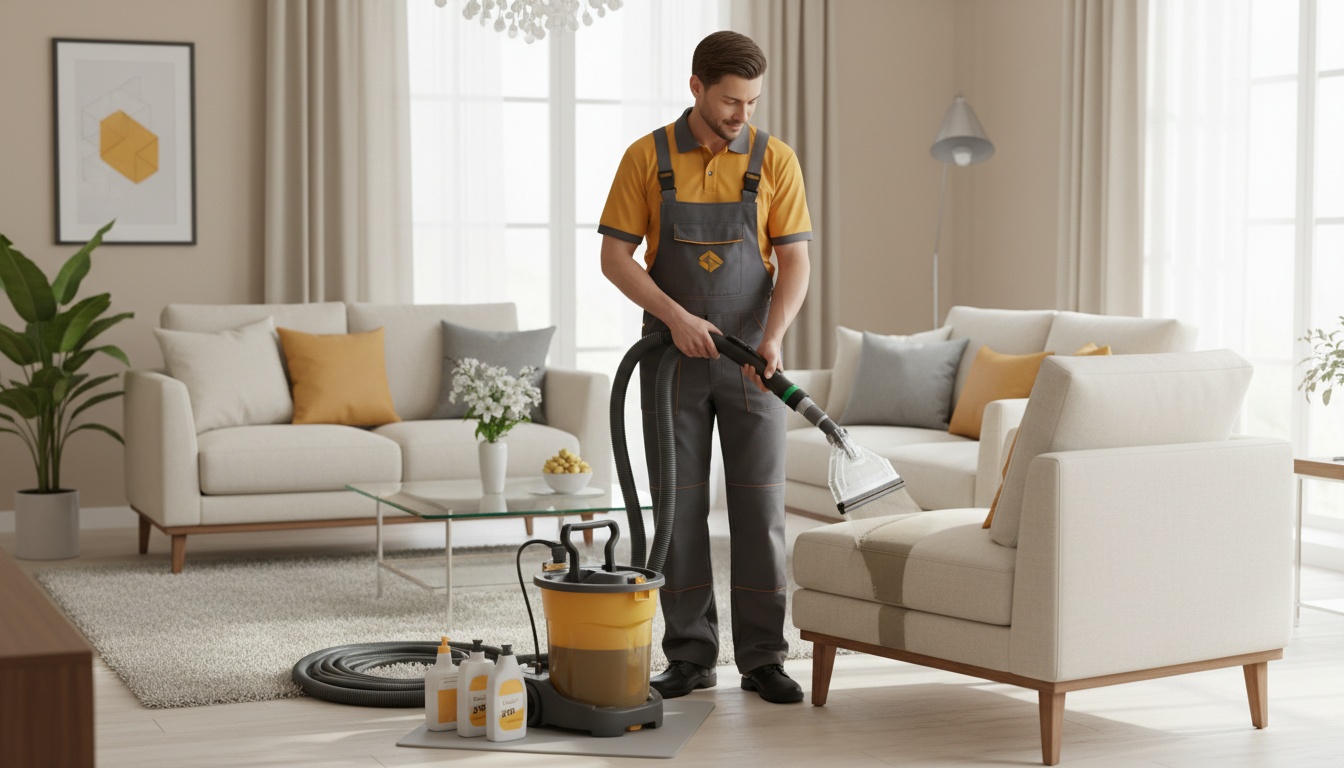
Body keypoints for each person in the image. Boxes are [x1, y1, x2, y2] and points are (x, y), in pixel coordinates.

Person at [598, 30, 812, 705]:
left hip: (752, 362)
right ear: (696, 88)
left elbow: (797, 261)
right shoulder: (646, 158)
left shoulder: (776, 159)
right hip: (671, 362)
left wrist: (774, 336)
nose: (741, 114)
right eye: (729, 101)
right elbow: (614, 258)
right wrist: (678, 318)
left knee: (760, 512)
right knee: (679, 513)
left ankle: (764, 658)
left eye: (750, 101)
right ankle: (690, 655)